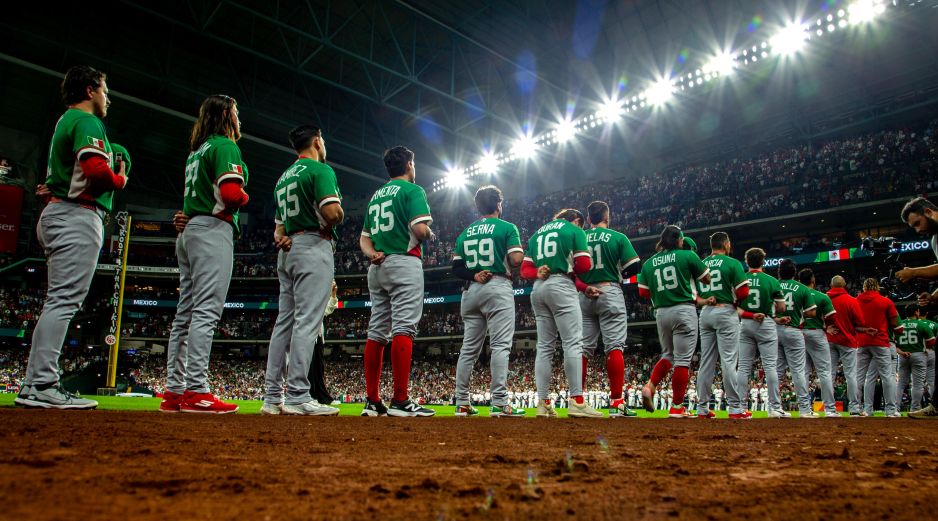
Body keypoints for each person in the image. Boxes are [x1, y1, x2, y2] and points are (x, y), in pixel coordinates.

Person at [16, 65, 128, 410]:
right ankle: (41, 384)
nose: (107, 98)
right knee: (63, 301)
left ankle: (38, 382)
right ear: (91, 89)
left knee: (59, 300)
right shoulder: (86, 121)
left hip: (61, 212)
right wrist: (120, 178)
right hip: (76, 215)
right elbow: (95, 171)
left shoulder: (66, 121)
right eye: (105, 90)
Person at [159, 94, 249, 414]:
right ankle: (197, 389)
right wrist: (245, 195)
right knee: (206, 312)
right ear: (227, 114)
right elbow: (230, 194)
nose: (239, 119)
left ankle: (175, 390)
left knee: (185, 313)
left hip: (189, 231)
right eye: (236, 113)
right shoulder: (225, 146)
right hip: (212, 230)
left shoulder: (197, 151)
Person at [261, 125, 343, 416]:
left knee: (284, 323)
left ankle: (272, 397)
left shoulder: (283, 177)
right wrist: (339, 214)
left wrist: (285, 236)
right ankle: (297, 394)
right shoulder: (320, 170)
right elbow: (332, 213)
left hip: (288, 249)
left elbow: (278, 228)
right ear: (318, 142)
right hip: (312, 247)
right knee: (308, 323)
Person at [359, 146, 436, 417]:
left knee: (377, 330)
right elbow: (418, 229)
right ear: (409, 165)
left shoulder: (376, 196)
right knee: (404, 327)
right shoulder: (413, 191)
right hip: (404, 262)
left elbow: (364, 238)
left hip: (377, 266)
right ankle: (401, 400)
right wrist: (429, 233)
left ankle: (371, 400)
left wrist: (372, 254)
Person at [521, 209, 603, 418]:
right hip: (561, 286)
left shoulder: (537, 233)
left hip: (539, 289)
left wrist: (582, 287)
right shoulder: (573, 230)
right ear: (576, 220)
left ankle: (543, 402)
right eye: (580, 224)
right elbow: (584, 265)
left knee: (545, 346)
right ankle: (576, 401)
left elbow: (525, 271)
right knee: (573, 342)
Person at [451, 185, 525, 417]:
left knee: (468, 349)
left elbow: (456, 267)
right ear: (498, 204)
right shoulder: (507, 227)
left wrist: (474, 274)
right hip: (497, 286)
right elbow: (515, 258)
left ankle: (462, 402)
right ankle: (500, 402)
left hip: (471, 290)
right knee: (500, 345)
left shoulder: (465, 232)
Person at [637, 225, 712, 418]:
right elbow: (707, 279)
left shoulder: (649, 263)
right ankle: (677, 407)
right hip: (684, 309)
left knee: (668, 354)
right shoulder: (687, 255)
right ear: (679, 239)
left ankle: (650, 386)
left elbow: (643, 292)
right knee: (683, 360)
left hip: (661, 312)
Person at [578, 201, 640, 418]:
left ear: (588, 219)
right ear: (607, 217)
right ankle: (617, 401)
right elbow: (634, 266)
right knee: (614, 347)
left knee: (582, 349)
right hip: (609, 290)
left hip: (583, 293)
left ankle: (577, 400)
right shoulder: (617, 237)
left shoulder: (579, 237)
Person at [695, 232, 749, 419]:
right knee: (728, 361)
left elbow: (692, 294)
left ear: (712, 245)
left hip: (706, 312)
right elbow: (743, 292)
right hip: (726, 311)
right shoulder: (733, 263)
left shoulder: (701, 264)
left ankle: (701, 408)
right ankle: (734, 408)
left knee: (706, 361)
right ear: (726, 243)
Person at [736, 247, 787, 417]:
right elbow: (781, 307)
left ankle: (741, 407)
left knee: (743, 367)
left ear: (746, 261)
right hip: (765, 322)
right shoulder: (771, 280)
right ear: (763, 261)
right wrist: (774, 313)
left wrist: (749, 313)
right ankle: (774, 408)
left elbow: (734, 307)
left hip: (746, 322)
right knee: (770, 366)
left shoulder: (741, 279)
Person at [774, 259, 818, 419]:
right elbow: (812, 313)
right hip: (793, 329)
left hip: (774, 329)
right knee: (798, 370)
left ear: (779, 272)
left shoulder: (773, 284)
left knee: (776, 370)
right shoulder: (802, 288)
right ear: (794, 273)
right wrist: (800, 313)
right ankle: (805, 409)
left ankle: (774, 408)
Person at [826, 275, 873, 416]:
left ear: (830, 285)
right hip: (847, 341)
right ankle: (854, 408)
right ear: (845, 284)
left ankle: (829, 408)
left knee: (828, 374)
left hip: (829, 339)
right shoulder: (851, 301)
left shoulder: (824, 298)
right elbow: (860, 323)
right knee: (851, 375)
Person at [798, 268, 840, 418]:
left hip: (800, 333)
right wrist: (826, 327)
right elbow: (832, 318)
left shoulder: (797, 294)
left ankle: (804, 408)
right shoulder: (822, 296)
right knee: (824, 372)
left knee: (803, 372)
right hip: (816, 333)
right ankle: (830, 409)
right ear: (813, 280)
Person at [855, 278, 901, 417]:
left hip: (862, 342)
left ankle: (863, 409)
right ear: (877, 287)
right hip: (881, 341)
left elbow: (853, 323)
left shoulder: (855, 301)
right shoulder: (886, 301)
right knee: (888, 376)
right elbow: (897, 326)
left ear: (864, 287)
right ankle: (890, 410)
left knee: (861, 377)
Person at [896, 305, 936, 411]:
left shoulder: (900, 324)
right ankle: (915, 408)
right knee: (917, 384)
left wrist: (901, 351)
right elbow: (932, 341)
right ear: (916, 312)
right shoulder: (921, 324)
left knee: (900, 383)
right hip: (919, 354)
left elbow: (893, 340)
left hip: (903, 354)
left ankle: (895, 408)